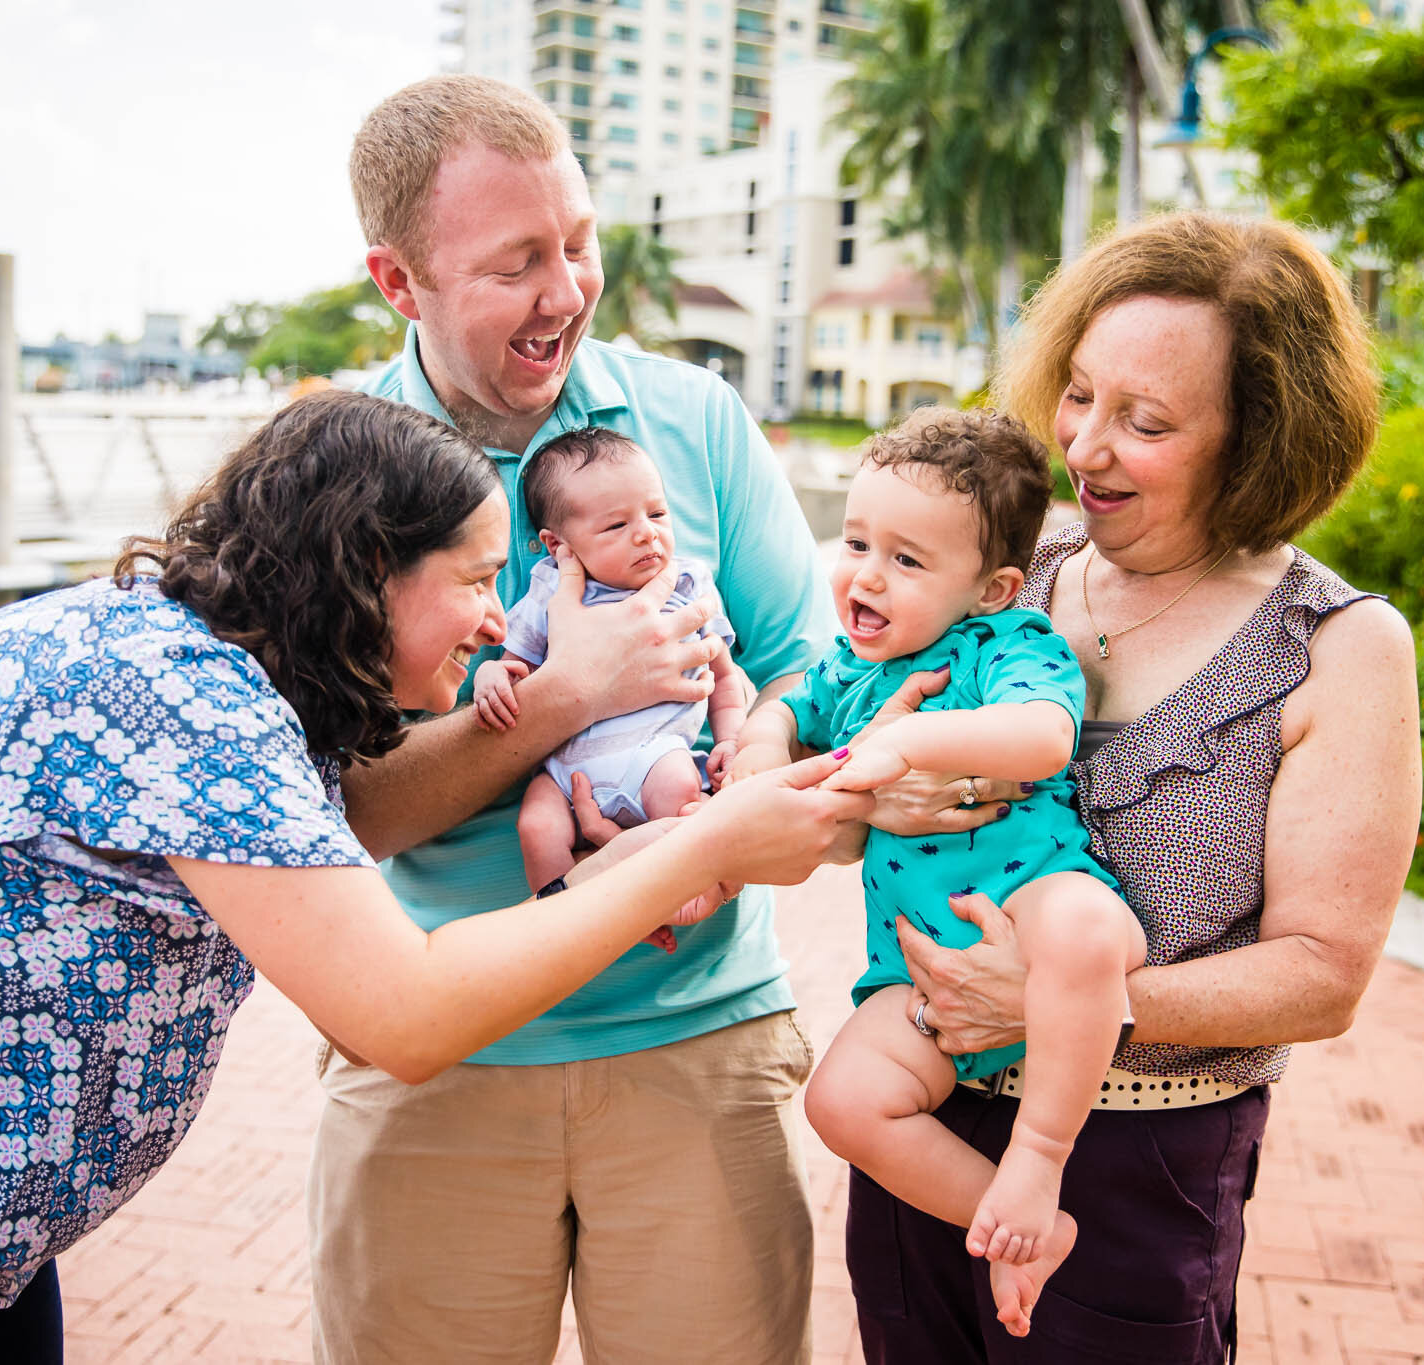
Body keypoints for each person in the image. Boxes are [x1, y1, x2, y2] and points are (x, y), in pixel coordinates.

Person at [0, 391, 867, 1364]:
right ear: (365, 568)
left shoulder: (203, 665)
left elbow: (352, 844)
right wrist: (705, 844)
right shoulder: (179, 703)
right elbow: (402, 1013)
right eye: (471, 582)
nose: (485, 626)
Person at [310, 72, 917, 1365]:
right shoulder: (338, 470)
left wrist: (736, 789)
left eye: (578, 243)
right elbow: (344, 812)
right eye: (518, 262)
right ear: (398, 282)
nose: (569, 290)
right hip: (437, 1054)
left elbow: (824, 681)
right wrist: (564, 701)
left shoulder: (694, 419)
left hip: (700, 1040)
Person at [840, 212, 1423, 1363]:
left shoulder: (1336, 645)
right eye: (1078, 394)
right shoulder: (1006, 576)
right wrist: (872, 801)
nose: (1082, 448)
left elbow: (1322, 978)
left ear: (1255, 443)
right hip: (921, 1125)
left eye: (1143, 422)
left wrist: (1049, 1003)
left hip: (1135, 1168)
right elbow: (850, 749)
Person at [728, 407, 1146, 1338]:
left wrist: (909, 739)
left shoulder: (1008, 644)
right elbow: (788, 704)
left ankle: (1038, 1156)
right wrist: (761, 740)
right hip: (916, 972)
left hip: (1036, 904)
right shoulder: (850, 667)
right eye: (857, 541)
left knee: (1085, 932)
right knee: (841, 1101)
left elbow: (1044, 735)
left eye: (907, 561)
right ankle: (1017, 1225)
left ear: (992, 587)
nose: (867, 574)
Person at [472, 426, 749, 902]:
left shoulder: (686, 582)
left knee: (681, 794)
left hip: (653, 752)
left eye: (658, 513)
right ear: (560, 545)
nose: (647, 533)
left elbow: (723, 676)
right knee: (536, 824)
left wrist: (730, 739)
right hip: (566, 769)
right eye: (616, 526)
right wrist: (490, 674)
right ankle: (565, 914)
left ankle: (668, 900)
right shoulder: (551, 587)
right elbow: (513, 662)